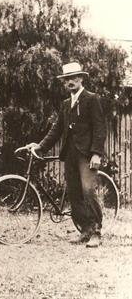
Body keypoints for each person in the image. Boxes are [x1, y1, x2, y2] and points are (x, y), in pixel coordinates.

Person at [26, 62, 106, 248]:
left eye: (73, 78)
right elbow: (56, 130)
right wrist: (40, 147)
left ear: (81, 78)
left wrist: (96, 153)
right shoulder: (64, 104)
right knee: (74, 193)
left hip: (87, 155)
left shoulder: (92, 99)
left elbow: (100, 128)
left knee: (88, 191)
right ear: (64, 83)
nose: (70, 82)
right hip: (69, 154)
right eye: (66, 79)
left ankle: (96, 232)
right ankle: (85, 230)